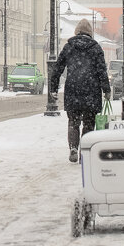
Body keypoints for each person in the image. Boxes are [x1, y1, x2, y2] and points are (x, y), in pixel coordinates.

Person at [49, 19, 110, 163]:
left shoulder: (69, 47)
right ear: (90, 33)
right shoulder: (96, 48)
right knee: (89, 123)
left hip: (73, 89)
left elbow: (57, 68)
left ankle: (73, 148)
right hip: (91, 90)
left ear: (77, 31)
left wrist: (53, 88)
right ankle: (85, 152)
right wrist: (106, 90)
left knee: (73, 122)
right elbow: (102, 71)